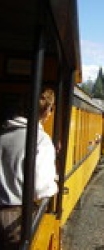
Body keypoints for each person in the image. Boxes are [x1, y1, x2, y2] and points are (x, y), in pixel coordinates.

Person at [0, 87, 58, 249]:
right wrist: (54, 183)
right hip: (16, 218)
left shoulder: (3, 135)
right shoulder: (41, 140)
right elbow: (41, 188)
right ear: (47, 111)